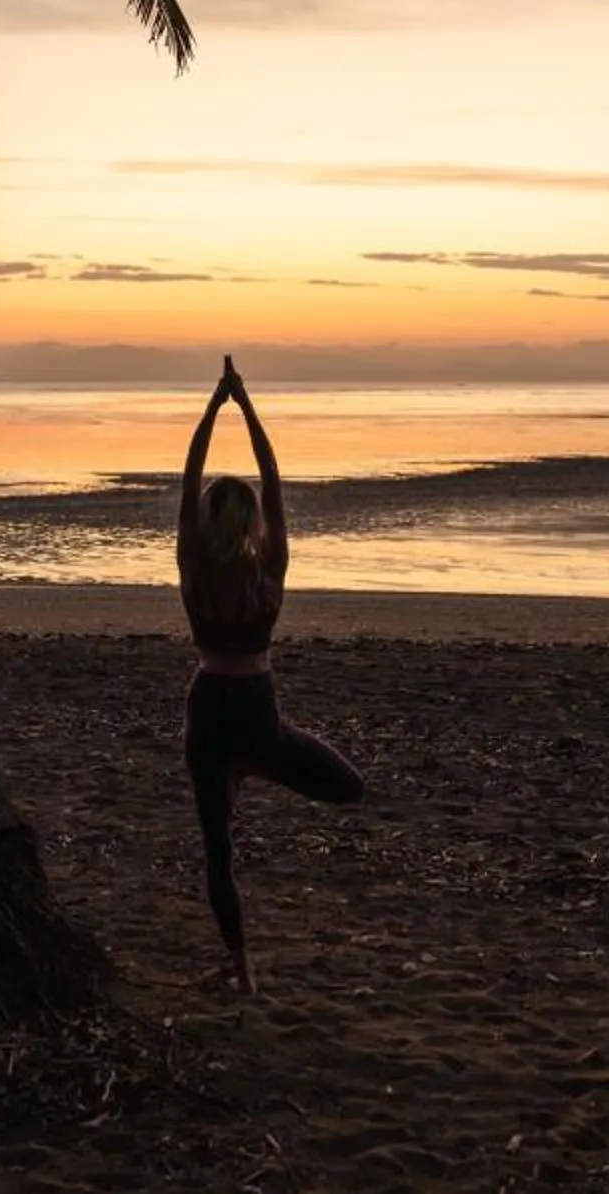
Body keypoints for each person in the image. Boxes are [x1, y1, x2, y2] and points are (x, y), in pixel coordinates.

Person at [176, 355, 365, 995]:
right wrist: (245, 404)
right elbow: (274, 478)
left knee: (217, 850)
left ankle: (241, 969)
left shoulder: (195, 566)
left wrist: (213, 408)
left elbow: (188, 477)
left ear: (205, 518)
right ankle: (251, 768)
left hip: (209, 711)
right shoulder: (270, 567)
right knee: (350, 788)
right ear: (252, 519)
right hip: (256, 712)